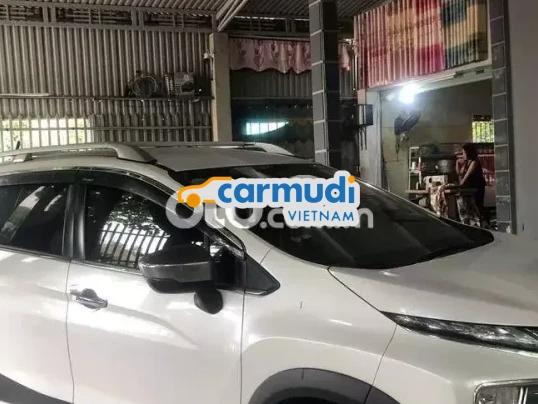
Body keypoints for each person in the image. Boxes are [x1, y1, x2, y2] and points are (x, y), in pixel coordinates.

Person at [455, 143, 487, 226]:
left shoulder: (474, 162)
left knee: (477, 205)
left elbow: (467, 175)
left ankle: (482, 223)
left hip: (477, 186)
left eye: (463, 153)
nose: (462, 155)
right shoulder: (467, 162)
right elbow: (460, 173)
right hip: (470, 188)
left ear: (468, 152)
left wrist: (460, 185)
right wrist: (457, 163)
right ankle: (471, 222)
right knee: (469, 206)